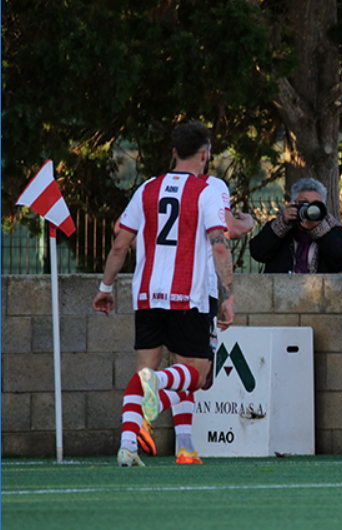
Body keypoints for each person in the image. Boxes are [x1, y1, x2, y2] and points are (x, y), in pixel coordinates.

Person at [93, 122, 236, 467]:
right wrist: (228, 295)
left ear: (173, 153)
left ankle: (139, 446)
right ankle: (157, 385)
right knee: (197, 375)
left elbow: (119, 244)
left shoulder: (146, 189)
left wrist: (105, 288)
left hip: (147, 296)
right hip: (189, 297)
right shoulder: (207, 190)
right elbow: (220, 246)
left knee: (146, 378)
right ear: (206, 155)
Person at [129, 169, 254, 463]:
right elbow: (228, 231)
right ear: (204, 153)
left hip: (155, 289)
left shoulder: (154, 186)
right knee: (198, 375)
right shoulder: (211, 185)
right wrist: (248, 222)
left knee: (180, 370)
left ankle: (183, 445)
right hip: (197, 291)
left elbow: (128, 236)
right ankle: (152, 403)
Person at [249, 178, 342, 273]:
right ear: (294, 204)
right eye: (304, 203)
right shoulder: (282, 227)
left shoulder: (333, 230)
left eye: (315, 205)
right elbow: (258, 252)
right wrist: (283, 223)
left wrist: (319, 229)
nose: (310, 209)